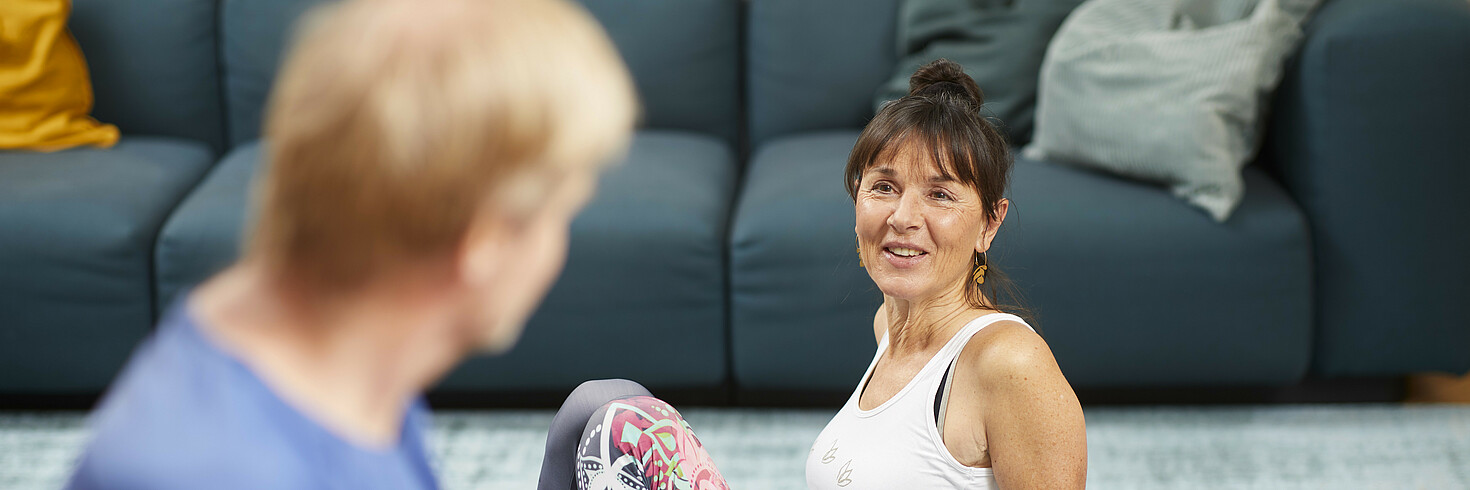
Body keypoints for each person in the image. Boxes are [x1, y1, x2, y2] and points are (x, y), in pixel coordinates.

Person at [64, 0, 636, 488]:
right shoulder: (207, 469)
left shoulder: (334, 351)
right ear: (482, 244)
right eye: (561, 213)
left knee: (603, 410)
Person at [539, 59, 1086, 490]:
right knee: (599, 402)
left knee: (624, 428)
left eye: (940, 195)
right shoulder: (889, 329)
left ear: (990, 223)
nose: (902, 218)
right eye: (884, 187)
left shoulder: (1010, 364)